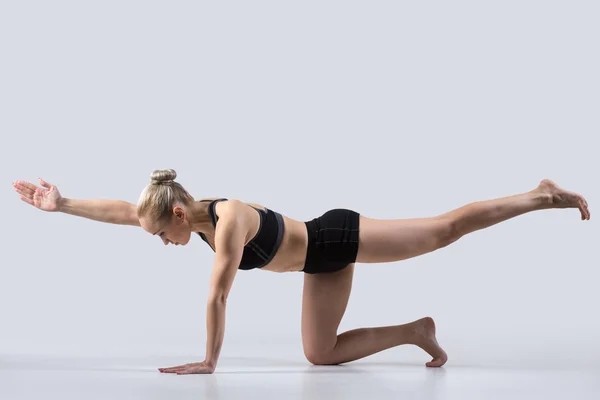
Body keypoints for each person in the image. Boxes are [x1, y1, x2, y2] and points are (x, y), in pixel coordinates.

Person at [12, 169, 590, 374]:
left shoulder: (229, 222)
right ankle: (418, 332)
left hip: (335, 236)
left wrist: (210, 360)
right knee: (321, 354)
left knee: (441, 230)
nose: (164, 242)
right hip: (320, 264)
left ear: (180, 214)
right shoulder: (186, 215)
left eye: (164, 233)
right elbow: (125, 212)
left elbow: (217, 297)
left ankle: (537, 197)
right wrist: (62, 205)